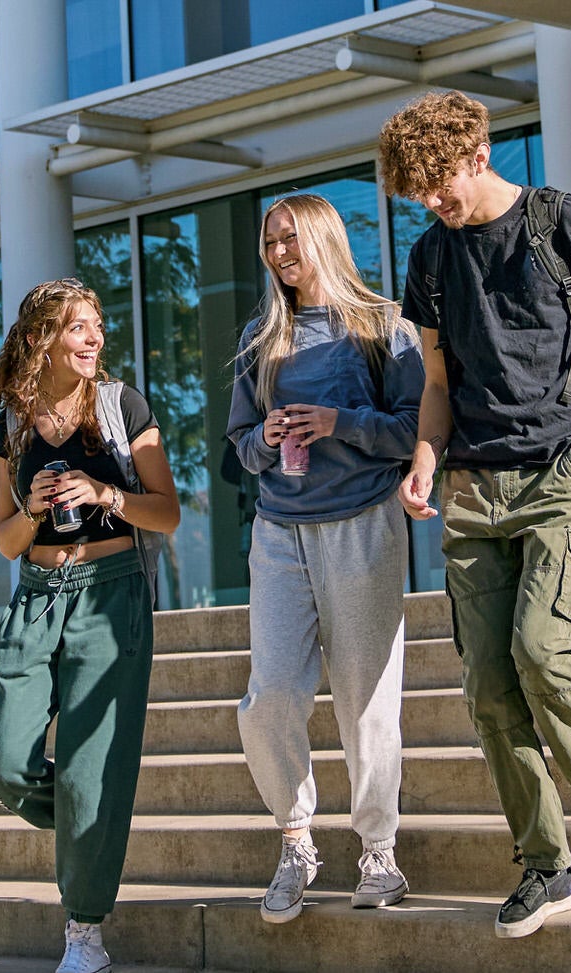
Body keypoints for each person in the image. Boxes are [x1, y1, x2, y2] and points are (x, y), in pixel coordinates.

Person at [378, 91, 571, 939]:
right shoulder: (431, 257)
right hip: (471, 486)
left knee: (543, 647)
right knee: (488, 688)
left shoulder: (560, 222)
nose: (434, 200)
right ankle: (545, 864)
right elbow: (437, 383)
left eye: (440, 182)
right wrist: (423, 460)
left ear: (475, 153)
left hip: (562, 470)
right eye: (418, 191)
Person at [226, 192, 425, 924]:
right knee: (271, 694)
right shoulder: (262, 335)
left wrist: (340, 422)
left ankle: (378, 849)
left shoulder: (382, 326)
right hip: (279, 529)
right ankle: (296, 837)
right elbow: (240, 444)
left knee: (365, 696)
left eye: (289, 237)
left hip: (362, 524)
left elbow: (413, 429)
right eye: (268, 239)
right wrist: (267, 435)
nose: (278, 250)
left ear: (322, 239)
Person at [0, 278, 180, 973]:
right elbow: (5, 540)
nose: (93, 338)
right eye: (76, 328)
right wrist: (32, 510)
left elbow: (167, 511)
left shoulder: (124, 405)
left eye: (96, 326)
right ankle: (91, 819)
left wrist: (105, 493)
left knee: (94, 770)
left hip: (110, 591)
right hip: (37, 595)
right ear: (41, 339)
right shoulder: (12, 420)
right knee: (4, 764)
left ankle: (84, 933)